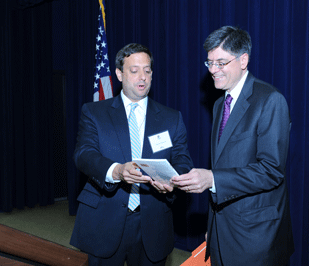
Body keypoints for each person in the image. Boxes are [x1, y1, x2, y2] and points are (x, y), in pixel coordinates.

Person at [171, 26, 294, 266]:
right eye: (209, 63)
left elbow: (271, 171)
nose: (213, 71)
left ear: (243, 60)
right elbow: (223, 166)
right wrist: (213, 227)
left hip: (257, 237)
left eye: (221, 63)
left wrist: (211, 179)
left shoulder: (270, 100)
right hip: (222, 232)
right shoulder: (220, 104)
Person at [70, 43, 193, 266]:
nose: (142, 77)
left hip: (153, 222)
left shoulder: (171, 118)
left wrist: (174, 182)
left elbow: (183, 161)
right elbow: (84, 154)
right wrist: (116, 170)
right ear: (119, 74)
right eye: (134, 70)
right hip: (104, 219)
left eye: (147, 70)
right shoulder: (94, 112)